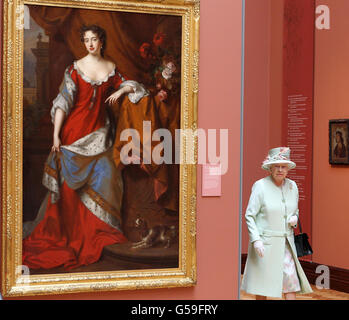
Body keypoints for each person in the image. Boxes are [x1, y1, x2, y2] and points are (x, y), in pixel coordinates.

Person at [22, 24, 148, 270]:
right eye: (86, 40)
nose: (90, 44)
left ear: (102, 41)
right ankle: (69, 234)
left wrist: (121, 89)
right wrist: (57, 135)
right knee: (67, 191)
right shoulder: (75, 68)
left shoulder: (111, 68)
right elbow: (62, 104)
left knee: (107, 177)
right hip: (72, 136)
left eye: (94, 39)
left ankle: (100, 233)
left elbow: (135, 87)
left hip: (100, 136)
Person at [241, 147, 313, 300]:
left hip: (286, 243)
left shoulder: (293, 187)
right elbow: (250, 215)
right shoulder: (260, 186)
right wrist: (256, 240)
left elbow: (295, 211)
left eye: (283, 166)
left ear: (288, 169)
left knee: (291, 282)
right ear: (270, 168)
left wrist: (294, 219)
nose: (280, 170)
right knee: (263, 285)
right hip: (265, 244)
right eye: (277, 166)